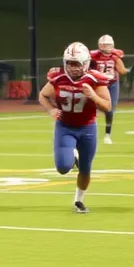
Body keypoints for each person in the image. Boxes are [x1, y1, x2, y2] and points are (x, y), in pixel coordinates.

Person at [38, 43, 111, 214]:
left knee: (86, 168)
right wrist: (51, 109)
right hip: (65, 127)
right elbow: (43, 95)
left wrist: (93, 96)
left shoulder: (95, 80)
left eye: (77, 63)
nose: (73, 67)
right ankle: (73, 157)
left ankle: (79, 200)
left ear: (86, 63)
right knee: (63, 167)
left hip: (87, 128)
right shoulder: (58, 78)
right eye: (70, 63)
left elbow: (107, 106)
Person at [89, 35, 126, 144]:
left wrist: (128, 70)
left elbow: (121, 70)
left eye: (109, 45)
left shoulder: (115, 56)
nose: (107, 47)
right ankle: (90, 131)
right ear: (99, 45)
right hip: (99, 83)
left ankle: (107, 135)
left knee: (110, 109)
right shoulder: (93, 56)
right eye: (104, 45)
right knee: (92, 106)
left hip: (112, 83)